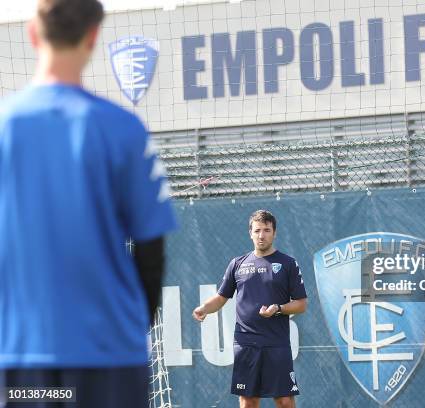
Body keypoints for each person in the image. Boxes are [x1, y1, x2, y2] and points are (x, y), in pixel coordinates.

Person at [0, 1, 176, 407]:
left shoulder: (6, 126)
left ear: (32, 33)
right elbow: (152, 251)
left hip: (19, 356)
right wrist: (132, 327)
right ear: (94, 36)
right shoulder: (123, 129)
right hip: (108, 356)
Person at [193, 210, 307, 408]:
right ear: (250, 233)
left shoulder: (288, 263)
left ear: (274, 233)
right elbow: (221, 297)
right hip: (246, 343)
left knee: (285, 400)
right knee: (248, 401)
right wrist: (204, 308)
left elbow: (301, 304)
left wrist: (278, 308)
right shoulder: (237, 264)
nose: (261, 235)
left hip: (276, 343)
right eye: (257, 230)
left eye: (266, 230)